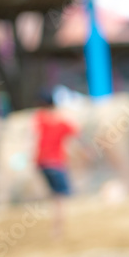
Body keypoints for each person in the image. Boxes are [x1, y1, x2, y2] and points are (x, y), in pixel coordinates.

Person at [33, 90, 79, 239]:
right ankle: (57, 230)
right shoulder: (60, 122)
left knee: (53, 195)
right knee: (60, 198)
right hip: (56, 164)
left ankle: (55, 229)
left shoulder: (39, 118)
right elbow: (75, 130)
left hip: (42, 163)